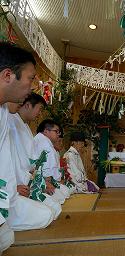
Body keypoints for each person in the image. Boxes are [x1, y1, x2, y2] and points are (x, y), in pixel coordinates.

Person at [0, 42, 36, 252]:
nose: (32, 87)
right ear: (7, 75)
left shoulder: (4, 112)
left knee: (6, 238)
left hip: (8, 193)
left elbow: (5, 161)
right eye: (30, 79)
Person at [7, 93, 61, 220]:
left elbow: (31, 162)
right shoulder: (10, 121)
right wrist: (13, 187)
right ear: (27, 105)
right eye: (39, 109)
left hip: (26, 184)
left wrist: (41, 182)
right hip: (14, 188)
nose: (40, 113)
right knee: (48, 214)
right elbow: (11, 162)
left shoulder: (24, 125)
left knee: (55, 208)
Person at [34, 119, 70, 204]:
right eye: (56, 131)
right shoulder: (44, 144)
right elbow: (46, 170)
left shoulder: (45, 142)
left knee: (65, 192)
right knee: (63, 195)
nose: (59, 134)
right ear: (46, 131)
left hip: (47, 181)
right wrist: (47, 183)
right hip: (42, 183)